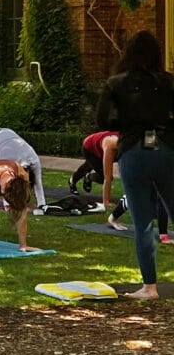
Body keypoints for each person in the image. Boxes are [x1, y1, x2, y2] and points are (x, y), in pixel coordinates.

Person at [95, 29, 174, 299]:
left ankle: (149, 287)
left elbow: (102, 120)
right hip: (164, 148)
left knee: (143, 223)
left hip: (133, 150)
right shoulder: (167, 82)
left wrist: (127, 124)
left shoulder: (116, 83)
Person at [0, 123, 47, 213]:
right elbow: (4, 182)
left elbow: (38, 182)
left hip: (7, 132)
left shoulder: (34, 161)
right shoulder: (7, 163)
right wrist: (7, 205)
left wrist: (42, 204)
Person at [70, 128, 117, 194]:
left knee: (87, 167)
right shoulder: (115, 143)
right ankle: (88, 177)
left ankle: (72, 181)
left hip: (99, 147)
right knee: (104, 177)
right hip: (90, 146)